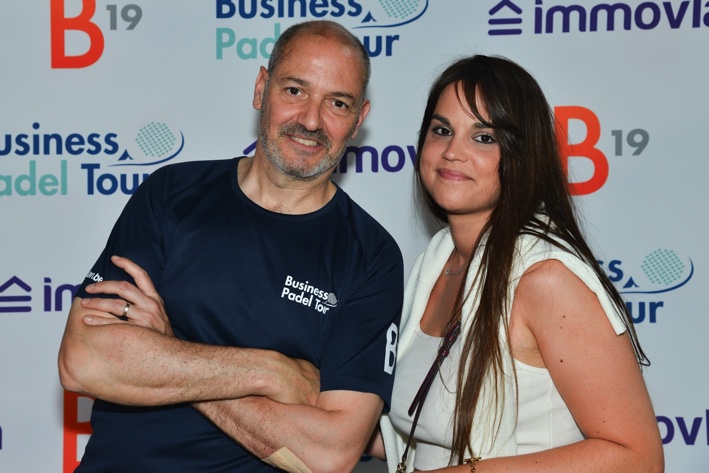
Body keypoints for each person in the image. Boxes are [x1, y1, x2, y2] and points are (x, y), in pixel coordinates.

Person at [58, 20, 403, 473]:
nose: (311, 120)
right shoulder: (172, 194)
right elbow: (84, 361)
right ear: (261, 88)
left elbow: (329, 454)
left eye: (337, 103)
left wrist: (167, 344)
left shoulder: (372, 256)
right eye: (295, 90)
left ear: (358, 119)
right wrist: (271, 371)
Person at [369, 55, 664, 472]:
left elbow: (638, 458)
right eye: (442, 130)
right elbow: (428, 436)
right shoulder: (435, 266)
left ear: (523, 155)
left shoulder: (545, 279)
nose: (452, 152)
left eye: (483, 137)